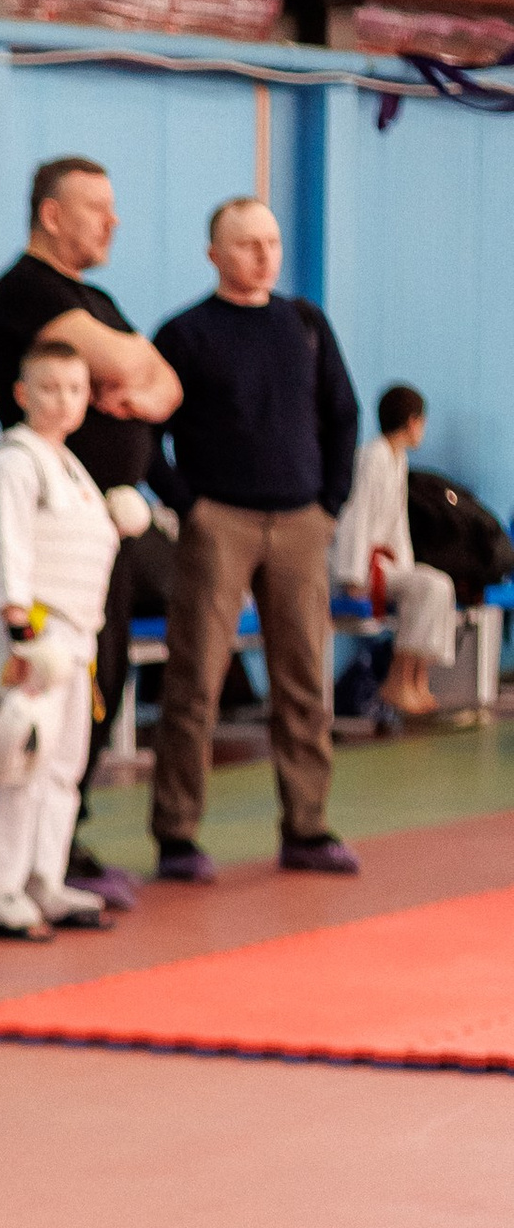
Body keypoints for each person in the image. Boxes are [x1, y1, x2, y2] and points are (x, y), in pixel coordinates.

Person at [0, 157, 184, 910]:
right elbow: (135, 363)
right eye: (97, 206)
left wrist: (136, 379)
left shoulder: (94, 299)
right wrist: (124, 369)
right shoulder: (26, 291)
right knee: (35, 732)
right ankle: (9, 884)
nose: (114, 220)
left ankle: (53, 863)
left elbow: (164, 384)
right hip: (45, 576)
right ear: (51, 214)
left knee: (91, 709)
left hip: (97, 554)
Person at [149, 199, 361, 882]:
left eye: (270, 241)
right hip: (220, 526)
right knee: (195, 683)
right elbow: (144, 434)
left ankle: (307, 825)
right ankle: (177, 834)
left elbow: (343, 414)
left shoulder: (305, 325)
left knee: (303, 683)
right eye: (246, 244)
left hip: (301, 522)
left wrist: (330, 504)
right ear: (214, 253)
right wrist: (189, 506)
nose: (263, 255)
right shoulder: (184, 334)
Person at [0, 337, 122, 940]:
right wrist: (17, 626)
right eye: (50, 388)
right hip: (36, 630)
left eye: (76, 389)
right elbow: (7, 542)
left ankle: (46, 879)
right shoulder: (15, 460)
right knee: (21, 760)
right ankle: (2, 890)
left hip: (77, 636)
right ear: (21, 394)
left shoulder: (72, 467)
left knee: (64, 765)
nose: (64, 401)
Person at [334, 385, 462, 726]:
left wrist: (404, 567)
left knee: (439, 584)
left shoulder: (397, 459)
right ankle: (396, 680)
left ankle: (416, 680)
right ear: (412, 421)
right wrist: (352, 577)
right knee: (431, 587)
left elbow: (397, 525)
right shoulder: (372, 456)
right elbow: (355, 515)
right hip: (362, 566)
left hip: (386, 564)